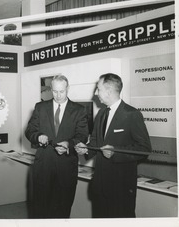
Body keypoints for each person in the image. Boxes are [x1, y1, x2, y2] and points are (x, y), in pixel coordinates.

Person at [75, 73, 151, 218]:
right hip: (100, 185)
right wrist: (86, 149)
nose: (95, 94)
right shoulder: (101, 113)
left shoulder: (131, 114)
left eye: (98, 89)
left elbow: (144, 149)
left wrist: (116, 152)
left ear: (109, 91)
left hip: (121, 186)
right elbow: (97, 142)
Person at [25, 74, 89, 218]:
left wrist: (69, 144)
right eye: (55, 91)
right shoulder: (40, 107)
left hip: (66, 166)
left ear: (68, 89)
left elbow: (82, 134)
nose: (58, 95)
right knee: (40, 209)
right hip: (44, 165)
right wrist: (38, 136)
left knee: (63, 208)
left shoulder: (79, 110)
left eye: (62, 91)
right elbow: (30, 130)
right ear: (50, 89)